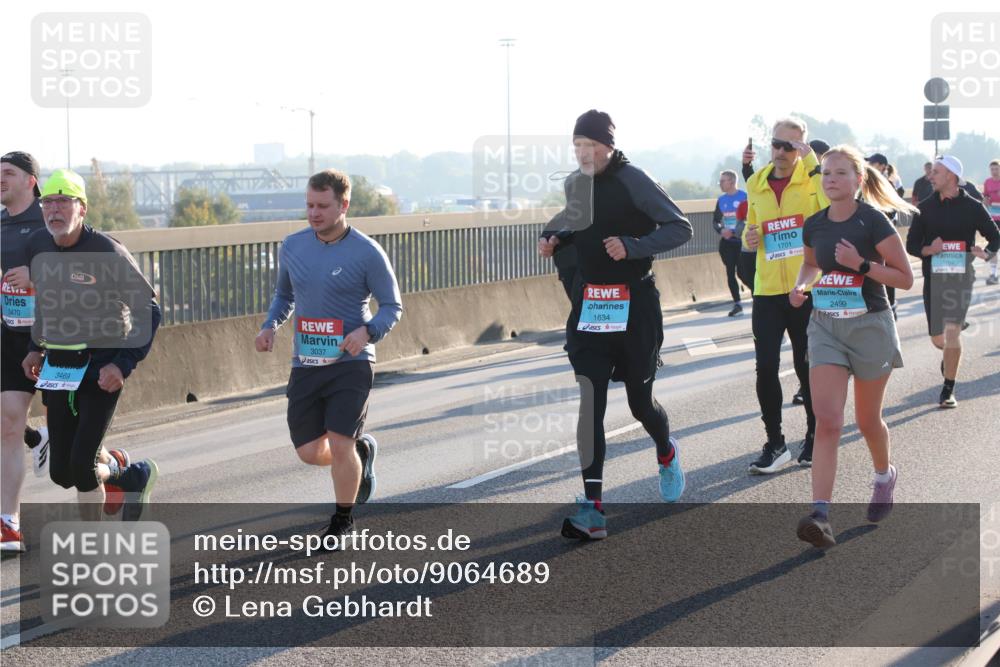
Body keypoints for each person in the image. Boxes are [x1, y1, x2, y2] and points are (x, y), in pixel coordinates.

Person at [539, 109, 692, 540]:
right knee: (591, 402)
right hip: (592, 307)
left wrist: (633, 245)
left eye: (589, 146)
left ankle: (666, 451)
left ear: (607, 145)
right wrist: (551, 236)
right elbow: (571, 219)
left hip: (635, 306)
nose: (583, 154)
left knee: (641, 403)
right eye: (577, 147)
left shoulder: (634, 180)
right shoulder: (576, 183)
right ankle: (593, 508)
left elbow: (679, 227)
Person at [256, 169, 402, 548]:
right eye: (309, 205)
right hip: (306, 361)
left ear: (343, 205)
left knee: (338, 443)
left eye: (323, 206)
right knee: (309, 452)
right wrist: (270, 325)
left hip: (351, 362)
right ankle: (360, 450)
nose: (314, 213)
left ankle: (342, 520)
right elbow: (284, 295)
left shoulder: (367, 252)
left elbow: (391, 306)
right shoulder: (292, 245)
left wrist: (367, 332)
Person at [790, 146, 915, 548]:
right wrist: (801, 284)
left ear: (858, 180)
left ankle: (884, 475)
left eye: (840, 174)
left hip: (870, 327)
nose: (830, 180)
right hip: (825, 325)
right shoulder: (814, 225)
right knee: (827, 420)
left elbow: (905, 278)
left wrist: (861, 264)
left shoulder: (872, 220)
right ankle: (821, 514)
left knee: (867, 420)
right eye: (826, 173)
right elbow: (811, 264)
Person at [20, 169, 158, 522]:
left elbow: (148, 309)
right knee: (61, 472)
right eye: (48, 202)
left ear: (82, 208)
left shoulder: (107, 250)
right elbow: (45, 302)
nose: (54, 210)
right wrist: (36, 347)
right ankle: (129, 473)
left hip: (102, 366)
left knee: (82, 466)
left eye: (64, 202)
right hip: (59, 367)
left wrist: (122, 365)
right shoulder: (38, 244)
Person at [742, 118, 828, 471]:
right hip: (766, 290)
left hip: (803, 288)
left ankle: (814, 436)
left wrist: (813, 165)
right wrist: (751, 238)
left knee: (806, 367)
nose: (779, 151)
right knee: (765, 367)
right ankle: (775, 443)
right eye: (776, 144)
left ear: (801, 149)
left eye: (788, 146)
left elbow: (828, 212)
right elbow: (753, 226)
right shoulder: (754, 182)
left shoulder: (814, 180)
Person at [905, 156, 1000, 408]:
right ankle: (948, 354)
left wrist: (986, 252)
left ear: (951, 175)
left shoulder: (973, 207)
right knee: (939, 339)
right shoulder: (924, 207)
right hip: (933, 279)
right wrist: (929, 249)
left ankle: (948, 389)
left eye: (936, 172)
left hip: (961, 279)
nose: (930, 176)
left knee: (952, 331)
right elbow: (912, 245)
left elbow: (995, 237)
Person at [712, 170, 747, 316]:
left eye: (722, 181)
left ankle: (757, 296)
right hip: (727, 243)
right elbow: (715, 221)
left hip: (742, 242)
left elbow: (749, 219)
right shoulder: (721, 200)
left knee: (743, 273)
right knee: (730, 272)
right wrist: (721, 231)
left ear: (731, 182)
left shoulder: (745, 197)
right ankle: (737, 303)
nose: (720, 184)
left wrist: (734, 232)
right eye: (720, 181)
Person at [983, 159, 1000, 285]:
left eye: (996, 169)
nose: (994, 171)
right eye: (992, 169)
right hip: (993, 218)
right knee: (994, 246)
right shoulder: (987, 182)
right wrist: (986, 201)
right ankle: (994, 274)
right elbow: (985, 197)